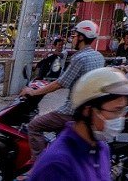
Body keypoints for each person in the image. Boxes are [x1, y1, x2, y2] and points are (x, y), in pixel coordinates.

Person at [27, 67, 128, 181]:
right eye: (116, 111)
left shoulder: (102, 148)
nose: (120, 118)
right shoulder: (58, 164)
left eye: (123, 111)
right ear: (87, 111)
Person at [25, 21, 106, 157]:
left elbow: (59, 83)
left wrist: (34, 92)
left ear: (81, 37)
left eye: (74, 35)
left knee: (34, 126)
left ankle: (39, 165)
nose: (72, 39)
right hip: (90, 109)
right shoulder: (99, 56)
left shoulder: (79, 58)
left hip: (72, 110)